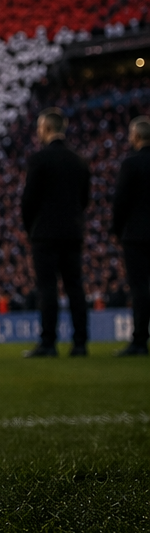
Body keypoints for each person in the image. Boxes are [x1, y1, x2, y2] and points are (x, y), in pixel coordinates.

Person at [20, 107, 93, 358]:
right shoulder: (79, 160)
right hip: (72, 231)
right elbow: (85, 198)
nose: (38, 132)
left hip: (45, 233)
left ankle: (48, 343)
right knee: (75, 287)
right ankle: (80, 343)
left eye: (40, 128)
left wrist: (32, 228)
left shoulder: (39, 160)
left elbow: (28, 201)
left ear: (47, 128)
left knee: (48, 288)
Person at [111, 116, 150, 356]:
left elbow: (120, 203)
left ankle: (139, 341)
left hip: (136, 236)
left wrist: (118, 231)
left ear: (135, 137)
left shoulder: (131, 163)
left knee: (139, 289)